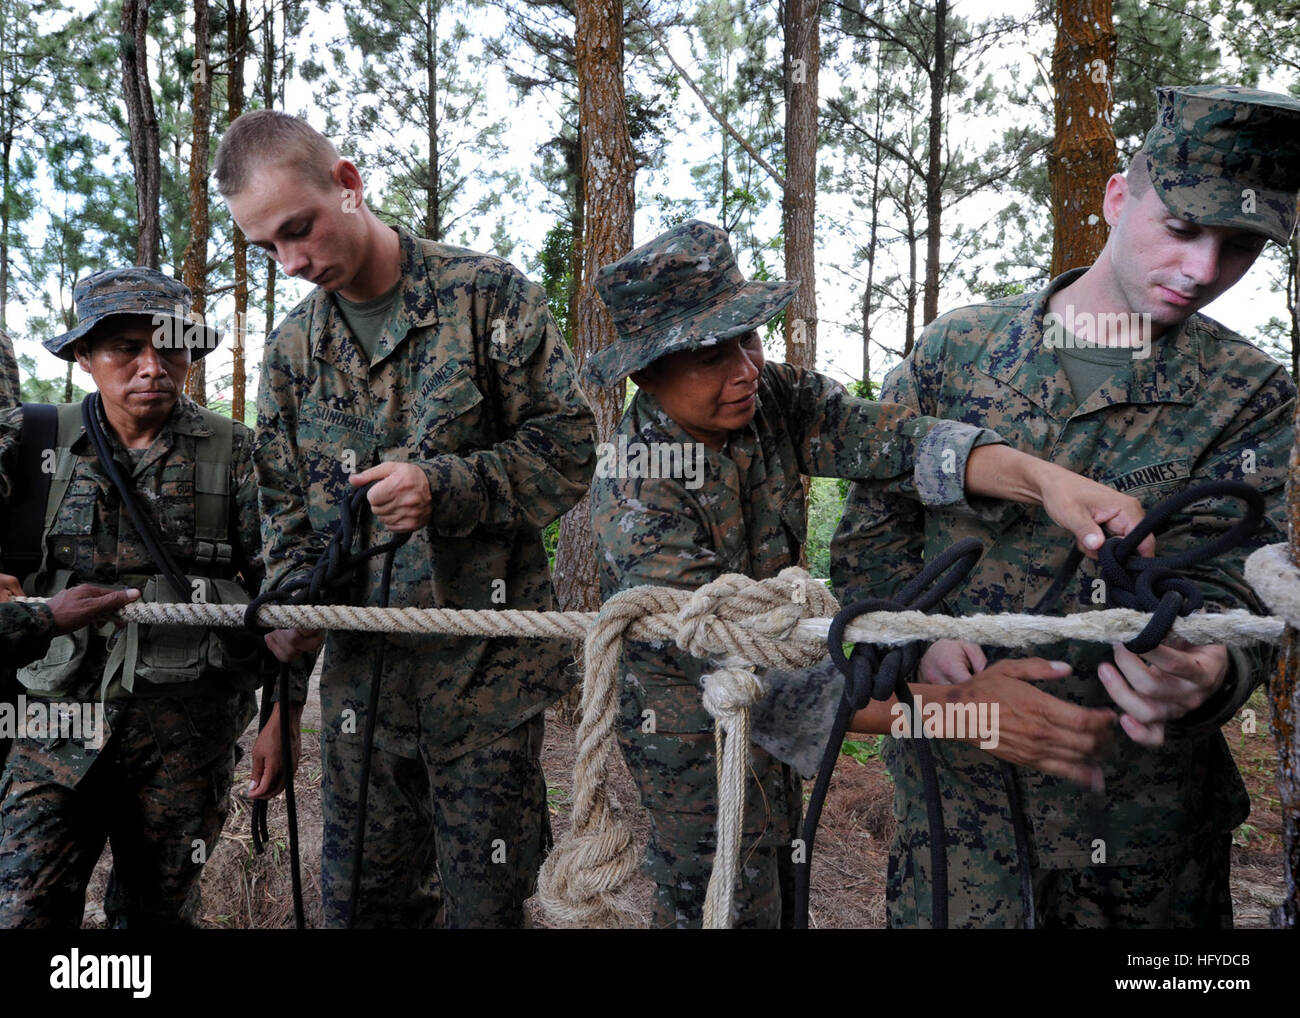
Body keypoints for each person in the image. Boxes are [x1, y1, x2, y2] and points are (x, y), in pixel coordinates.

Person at [588, 219, 1153, 929]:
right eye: (709, 354)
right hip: (691, 731)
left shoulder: (772, 401)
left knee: (782, 879)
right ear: (645, 370)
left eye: (748, 338)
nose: (745, 368)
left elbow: (898, 442)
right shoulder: (638, 488)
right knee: (719, 894)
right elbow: (759, 676)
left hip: (774, 698)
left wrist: (1044, 481)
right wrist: (966, 713)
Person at [831, 84, 1300, 928]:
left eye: (1240, 247)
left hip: (1144, 845)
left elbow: (1253, 584)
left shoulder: (1256, 397)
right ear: (1120, 197)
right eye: (1185, 229)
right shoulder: (958, 351)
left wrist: (1212, 671)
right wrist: (919, 638)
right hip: (958, 830)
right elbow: (872, 538)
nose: (1203, 270)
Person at [214, 110, 596, 929]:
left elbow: (570, 450)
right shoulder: (288, 360)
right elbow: (285, 530)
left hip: (487, 689)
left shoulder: (486, 296)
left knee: (489, 909)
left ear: (347, 184)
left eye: (298, 230)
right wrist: (285, 661)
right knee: (362, 908)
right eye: (265, 249)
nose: (290, 262)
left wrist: (446, 486)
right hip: (361, 703)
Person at [0, 267, 297, 929]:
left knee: (156, 915)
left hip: (186, 733)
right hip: (53, 724)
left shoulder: (240, 455)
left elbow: (285, 598)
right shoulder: (31, 443)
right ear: (83, 355)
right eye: (124, 348)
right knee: (24, 910)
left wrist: (283, 716)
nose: (150, 365)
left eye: (169, 346)